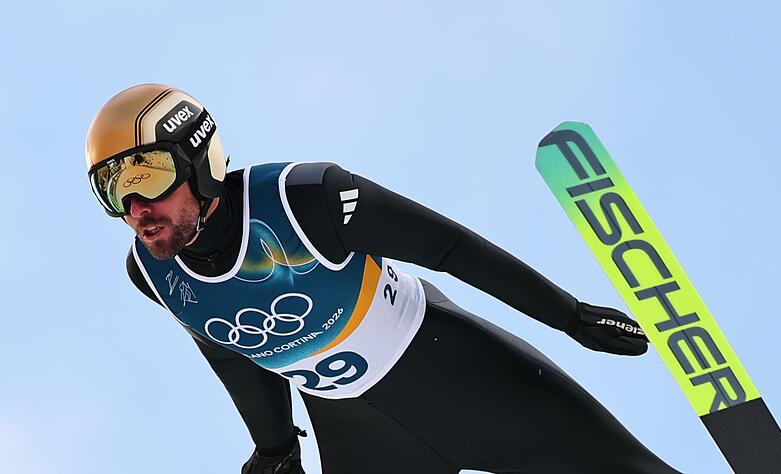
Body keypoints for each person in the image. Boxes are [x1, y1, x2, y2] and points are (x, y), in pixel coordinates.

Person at [85, 83, 680, 474]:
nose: (135, 207)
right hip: (359, 437)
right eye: (113, 189)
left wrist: (567, 315)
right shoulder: (151, 273)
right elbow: (232, 353)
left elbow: (449, 248)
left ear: (199, 162)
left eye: (149, 177)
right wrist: (276, 448)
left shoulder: (303, 199)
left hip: (458, 376)